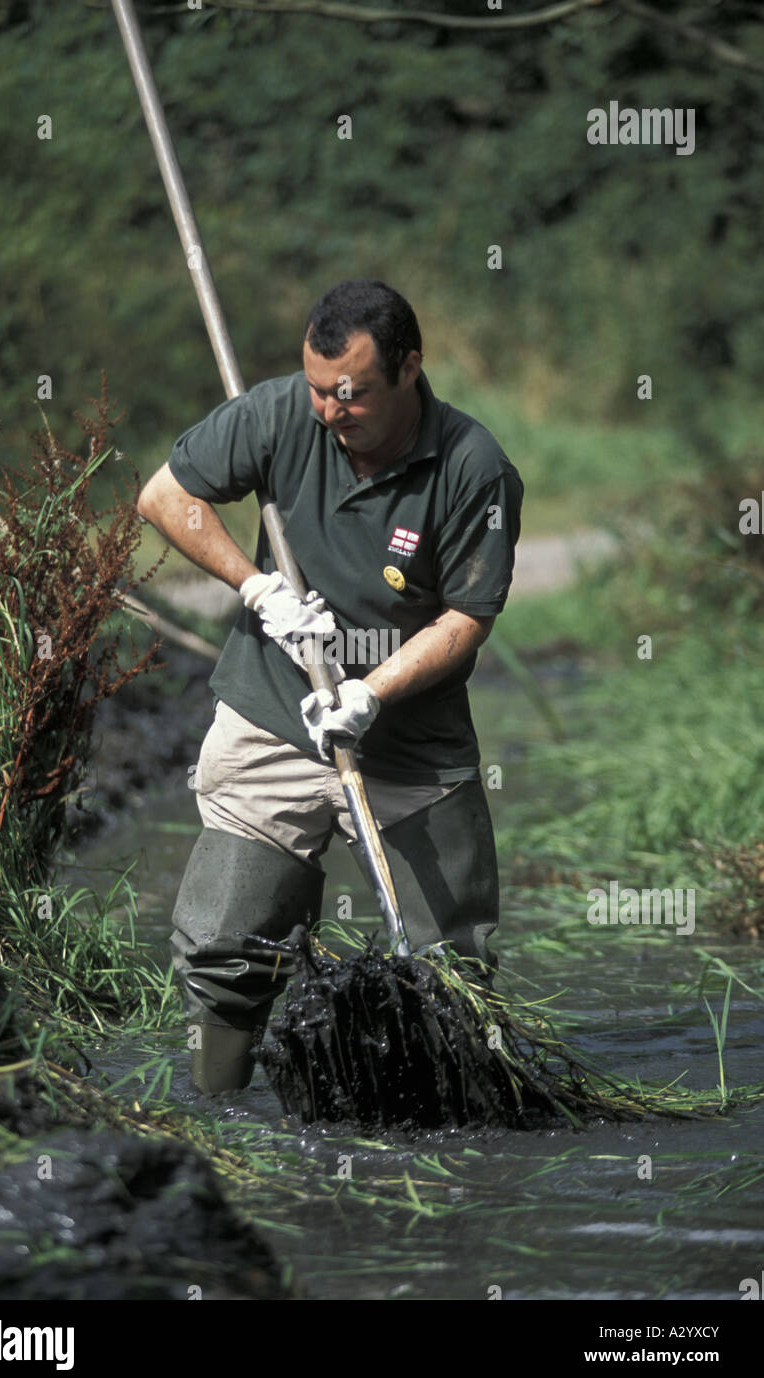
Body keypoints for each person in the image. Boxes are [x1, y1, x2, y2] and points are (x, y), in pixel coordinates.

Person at [137, 280, 523, 1094]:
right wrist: (257, 590)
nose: (327, 411)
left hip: (408, 743)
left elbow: (465, 619)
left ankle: (462, 1140)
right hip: (273, 718)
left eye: (348, 394)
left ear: (409, 368)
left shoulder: (471, 466)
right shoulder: (279, 414)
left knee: (452, 971)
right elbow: (164, 496)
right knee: (223, 949)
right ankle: (223, 1125)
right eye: (317, 388)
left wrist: (370, 693)